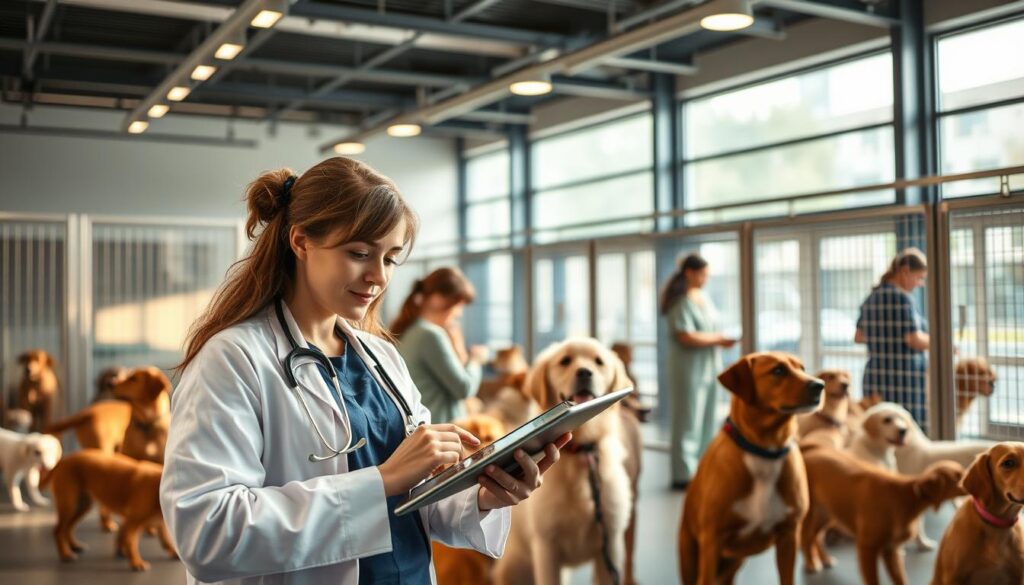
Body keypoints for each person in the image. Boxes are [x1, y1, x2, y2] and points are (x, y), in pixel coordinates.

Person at [160, 157, 568, 585]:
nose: (377, 277)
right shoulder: (232, 359)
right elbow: (206, 533)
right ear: (300, 242)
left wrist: (484, 494)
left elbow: (418, 501)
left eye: (390, 259)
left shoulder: (382, 358)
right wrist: (381, 480)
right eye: (359, 253)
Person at [661, 253, 737, 490]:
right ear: (689, 273)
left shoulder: (703, 298)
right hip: (688, 369)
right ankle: (682, 474)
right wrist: (718, 339)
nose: (705, 279)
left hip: (707, 367)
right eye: (702, 274)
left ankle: (703, 468)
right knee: (687, 420)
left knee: (706, 418)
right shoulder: (680, 301)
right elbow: (684, 335)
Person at [390, 268, 488, 423]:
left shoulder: (410, 330)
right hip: (444, 427)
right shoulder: (430, 334)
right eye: (458, 305)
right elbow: (464, 389)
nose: (459, 314)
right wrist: (476, 360)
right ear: (437, 299)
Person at [855, 247, 930, 426]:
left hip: (875, 376)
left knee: (879, 427)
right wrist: (943, 344)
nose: (920, 284)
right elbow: (913, 339)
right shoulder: (902, 298)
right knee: (906, 430)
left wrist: (884, 335)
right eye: (919, 277)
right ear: (905, 271)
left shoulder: (872, 297)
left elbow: (859, 336)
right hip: (902, 380)